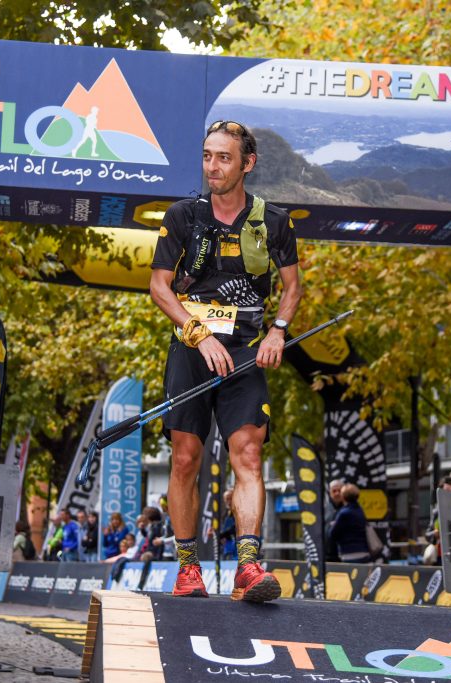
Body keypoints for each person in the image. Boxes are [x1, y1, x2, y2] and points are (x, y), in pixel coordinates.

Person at [149, 119, 302, 602]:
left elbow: (293, 287)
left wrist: (277, 330)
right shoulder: (182, 216)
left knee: (250, 454)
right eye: (207, 156)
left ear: (247, 164)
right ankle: (188, 568)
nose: (213, 167)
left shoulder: (274, 221)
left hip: (245, 354)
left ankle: (250, 567)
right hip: (192, 350)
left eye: (224, 158)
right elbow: (158, 287)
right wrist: (198, 335)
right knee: (185, 458)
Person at [327, 484, 370, 562]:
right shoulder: (360, 510)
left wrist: (333, 525)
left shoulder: (343, 513)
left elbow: (333, 534)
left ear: (343, 497)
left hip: (349, 553)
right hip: (363, 551)